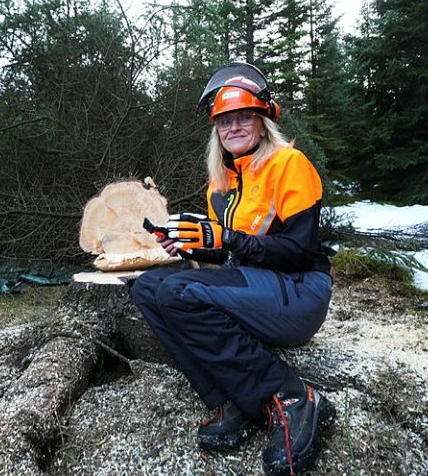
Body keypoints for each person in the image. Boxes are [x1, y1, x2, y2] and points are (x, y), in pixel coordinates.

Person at [130, 62, 334, 476]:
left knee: (177, 292)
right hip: (257, 286)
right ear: (216, 129)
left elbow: (298, 251)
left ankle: (292, 397)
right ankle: (235, 397)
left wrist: (224, 239)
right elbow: (228, 257)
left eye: (244, 117)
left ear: (262, 122)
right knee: (148, 288)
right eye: (225, 120)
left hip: (299, 290)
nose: (234, 127)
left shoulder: (288, 164)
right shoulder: (220, 184)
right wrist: (192, 245)